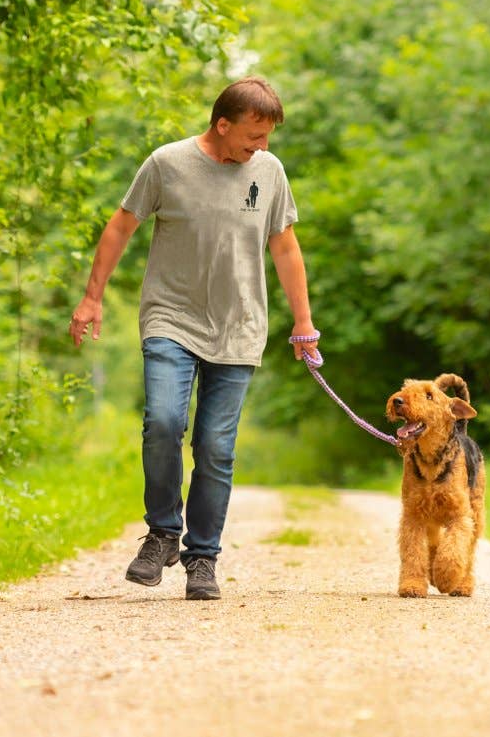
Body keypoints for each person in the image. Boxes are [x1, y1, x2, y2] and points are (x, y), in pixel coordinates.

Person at [69, 77, 318, 600]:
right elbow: (120, 227)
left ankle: (202, 557)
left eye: (268, 137)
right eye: (254, 136)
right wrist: (92, 297)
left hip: (240, 324)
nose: (262, 147)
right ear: (222, 125)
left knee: (215, 447)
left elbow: (286, 247)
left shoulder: (269, 172)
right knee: (162, 421)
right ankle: (163, 532)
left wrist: (303, 321)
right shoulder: (167, 163)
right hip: (171, 317)